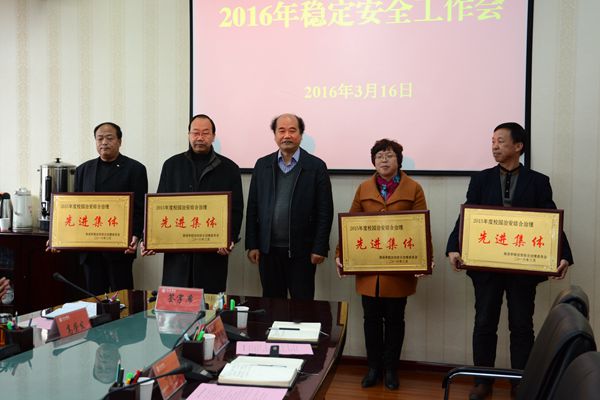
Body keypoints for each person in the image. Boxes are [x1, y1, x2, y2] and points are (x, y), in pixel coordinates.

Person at [446, 122, 573, 400]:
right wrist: (453, 247)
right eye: (492, 141)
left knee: (522, 326)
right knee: (484, 323)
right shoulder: (480, 179)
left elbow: (550, 221)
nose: (494, 146)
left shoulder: (538, 181)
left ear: (518, 146)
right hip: (486, 268)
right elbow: (467, 216)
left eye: (501, 141)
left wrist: (563, 254)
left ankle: (520, 383)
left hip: (522, 269)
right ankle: (483, 381)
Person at [335, 139, 429, 390]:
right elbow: (350, 224)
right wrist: (340, 254)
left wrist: (425, 258)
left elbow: (421, 225)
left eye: (389, 155)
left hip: (398, 268)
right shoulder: (364, 188)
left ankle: (391, 370)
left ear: (399, 160)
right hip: (369, 267)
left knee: (396, 320)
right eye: (379, 156)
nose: (384, 160)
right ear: (373, 162)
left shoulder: (414, 188)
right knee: (371, 320)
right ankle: (373, 368)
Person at [150, 114, 243, 293]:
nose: (200, 138)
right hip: (177, 254)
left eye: (205, 133)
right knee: (176, 301)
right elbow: (159, 206)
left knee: (209, 302)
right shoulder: (172, 165)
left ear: (213, 136)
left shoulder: (229, 168)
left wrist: (229, 238)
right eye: (195, 133)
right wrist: (152, 239)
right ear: (188, 135)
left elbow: (236, 209)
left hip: (213, 253)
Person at [245, 113, 333, 300]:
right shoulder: (262, 165)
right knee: (272, 303)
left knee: (302, 304)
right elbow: (253, 207)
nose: (287, 135)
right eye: (281, 131)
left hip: (303, 251)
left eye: (292, 131)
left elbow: (325, 211)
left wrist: (320, 247)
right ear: (275, 135)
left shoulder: (316, 166)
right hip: (268, 251)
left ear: (301, 135)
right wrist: (252, 244)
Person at [75, 122, 148, 295]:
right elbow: (76, 208)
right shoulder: (83, 170)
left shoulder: (135, 169)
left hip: (121, 249)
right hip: (90, 250)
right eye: (99, 138)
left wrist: (136, 235)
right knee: (93, 300)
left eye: (109, 138)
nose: (104, 142)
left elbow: (140, 208)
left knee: (122, 299)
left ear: (119, 141)